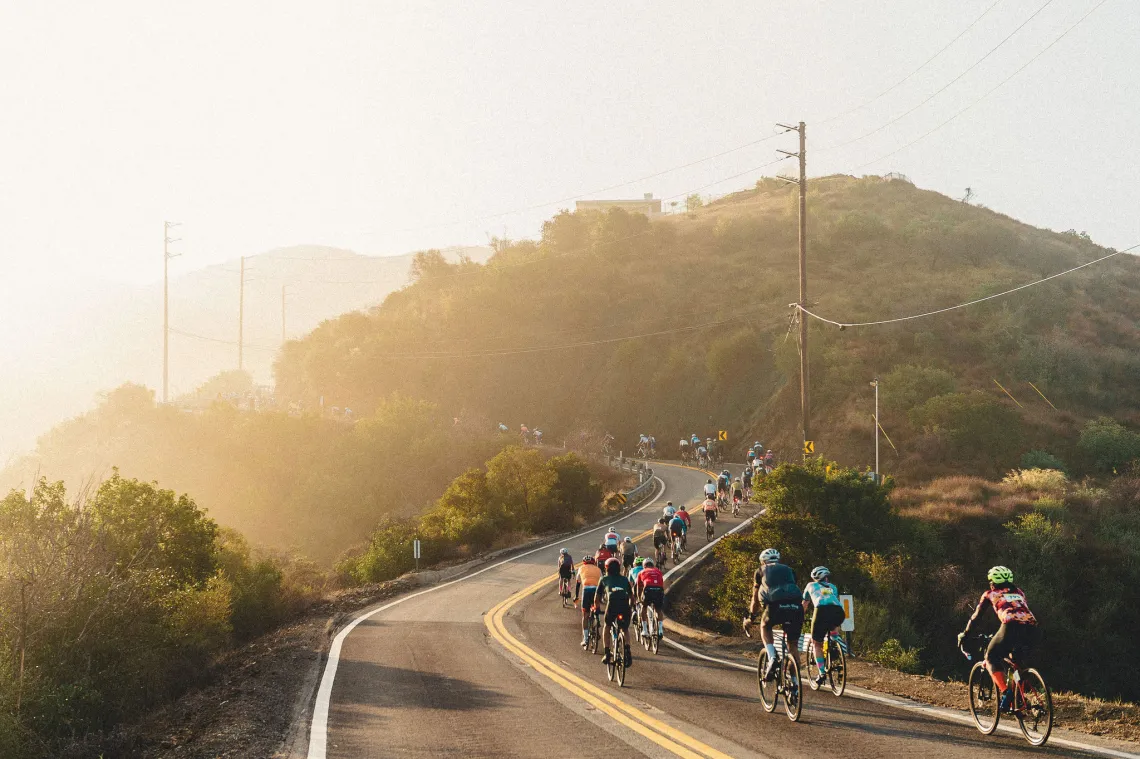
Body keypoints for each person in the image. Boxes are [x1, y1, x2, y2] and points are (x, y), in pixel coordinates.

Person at [958, 566, 1039, 713]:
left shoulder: (990, 593)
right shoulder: (1019, 592)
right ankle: (1017, 698)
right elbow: (1018, 611)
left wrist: (965, 634)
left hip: (1011, 626)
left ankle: (1006, 693)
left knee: (991, 657)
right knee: (1016, 662)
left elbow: (976, 617)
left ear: (992, 582)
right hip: (1032, 628)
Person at [745, 548, 804, 681]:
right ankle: (794, 685)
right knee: (793, 646)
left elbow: (755, 598)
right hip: (796, 606)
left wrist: (751, 617)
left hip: (774, 606)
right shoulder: (789, 570)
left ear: (763, 561)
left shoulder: (760, 571)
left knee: (765, 626)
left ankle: (772, 657)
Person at [802, 566, 847, 686]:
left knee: (817, 643)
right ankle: (835, 644)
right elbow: (830, 600)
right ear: (826, 578)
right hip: (838, 612)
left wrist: (799, 617)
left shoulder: (810, 586)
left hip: (821, 611)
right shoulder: (832, 587)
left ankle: (822, 673)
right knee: (833, 627)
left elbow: (805, 604)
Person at [596, 558, 634, 666]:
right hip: (624, 604)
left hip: (612, 604)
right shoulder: (625, 579)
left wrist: (597, 609)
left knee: (607, 626)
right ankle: (627, 651)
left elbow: (596, 598)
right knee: (625, 629)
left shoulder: (604, 579)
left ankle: (607, 653)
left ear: (606, 568)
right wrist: (630, 608)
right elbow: (632, 597)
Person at [573, 555, 602, 648]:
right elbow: (602, 582)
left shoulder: (581, 568)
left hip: (586, 590)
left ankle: (585, 639)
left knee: (585, 615)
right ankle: (597, 623)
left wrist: (576, 596)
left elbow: (578, 584)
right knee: (596, 609)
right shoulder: (598, 569)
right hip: (596, 591)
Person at [635, 557, 666, 638]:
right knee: (658, 609)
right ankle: (660, 630)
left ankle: (645, 630)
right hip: (659, 590)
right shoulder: (658, 571)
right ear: (653, 565)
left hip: (648, 590)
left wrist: (639, 598)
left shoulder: (641, 572)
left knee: (644, 607)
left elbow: (639, 588)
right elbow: (661, 584)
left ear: (644, 565)